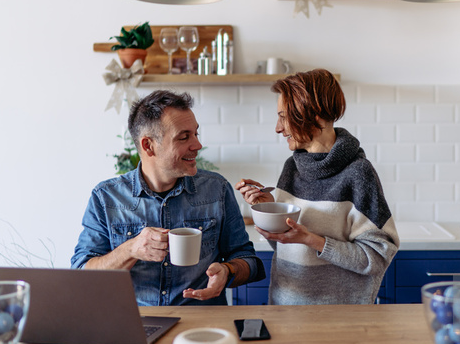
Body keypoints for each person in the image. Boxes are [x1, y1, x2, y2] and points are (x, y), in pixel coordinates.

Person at [72, 90, 265, 306]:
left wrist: (228, 270)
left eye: (195, 134)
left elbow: (250, 262)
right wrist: (131, 249)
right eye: (184, 137)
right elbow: (82, 276)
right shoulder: (106, 197)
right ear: (148, 146)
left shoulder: (216, 189)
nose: (197, 145)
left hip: (202, 325)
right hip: (136, 325)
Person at [236, 69, 399, 305]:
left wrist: (313, 240)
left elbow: (378, 257)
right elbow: (284, 245)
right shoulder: (291, 167)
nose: (278, 128)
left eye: (284, 116)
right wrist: (268, 210)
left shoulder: (358, 174)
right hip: (284, 310)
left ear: (314, 116)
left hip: (338, 320)